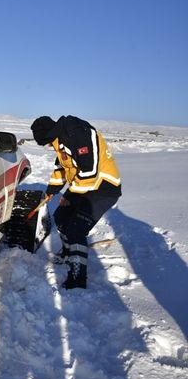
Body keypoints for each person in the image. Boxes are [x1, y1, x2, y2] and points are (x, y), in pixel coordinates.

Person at [30, 115, 122, 289]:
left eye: (46, 143)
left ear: (48, 137)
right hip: (85, 186)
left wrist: (69, 195)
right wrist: (51, 191)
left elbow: (90, 173)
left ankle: (78, 276)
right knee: (61, 216)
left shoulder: (77, 136)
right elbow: (62, 169)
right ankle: (68, 251)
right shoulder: (59, 141)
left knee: (76, 228)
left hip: (104, 187)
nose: (49, 147)